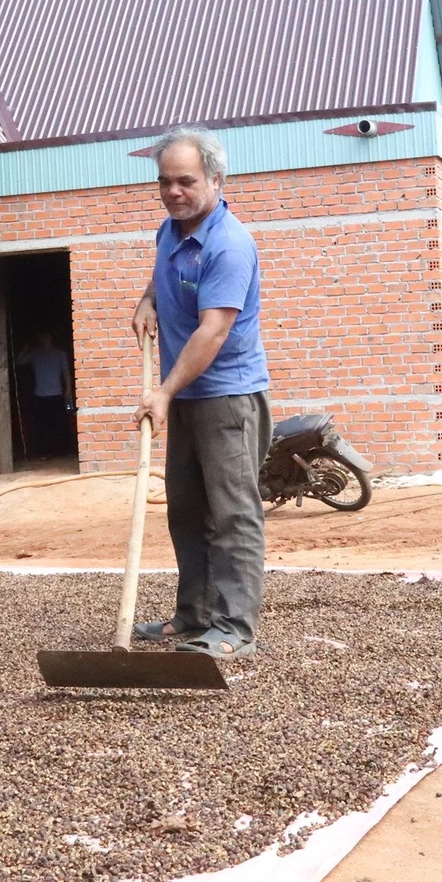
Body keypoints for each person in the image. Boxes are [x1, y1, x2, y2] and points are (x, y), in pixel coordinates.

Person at [130, 126, 271, 658]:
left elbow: (212, 330)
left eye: (185, 181)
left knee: (232, 513)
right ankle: (194, 615)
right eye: (164, 182)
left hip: (226, 397)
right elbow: (165, 275)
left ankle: (234, 629)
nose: (173, 192)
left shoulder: (229, 245)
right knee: (186, 509)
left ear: (215, 178)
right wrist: (148, 299)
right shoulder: (171, 232)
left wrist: (162, 392)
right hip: (184, 394)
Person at [14, 329, 73, 456]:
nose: (43, 341)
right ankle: (45, 452)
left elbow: (66, 373)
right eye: (40, 339)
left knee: (59, 424)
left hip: (56, 393)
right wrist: (26, 347)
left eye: (45, 338)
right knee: (42, 425)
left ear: (50, 339)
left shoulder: (59, 354)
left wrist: (68, 390)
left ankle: (62, 451)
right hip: (40, 394)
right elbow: (18, 362)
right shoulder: (35, 354)